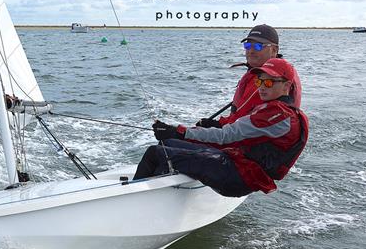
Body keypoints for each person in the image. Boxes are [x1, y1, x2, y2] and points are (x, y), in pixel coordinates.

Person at [132, 58, 308, 197]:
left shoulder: (278, 115)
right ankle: (160, 190)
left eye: (269, 83)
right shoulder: (276, 110)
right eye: (259, 81)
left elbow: (226, 136)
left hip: (239, 177)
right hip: (238, 164)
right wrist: (212, 125)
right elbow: (240, 130)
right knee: (166, 144)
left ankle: (136, 203)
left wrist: (180, 132)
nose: (262, 87)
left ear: (286, 86)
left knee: (155, 153)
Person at [196, 24, 302, 129]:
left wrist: (217, 125)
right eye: (248, 46)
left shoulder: (271, 80)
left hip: (253, 136)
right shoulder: (280, 71)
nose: (251, 51)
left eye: (258, 46)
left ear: (274, 50)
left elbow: (243, 121)